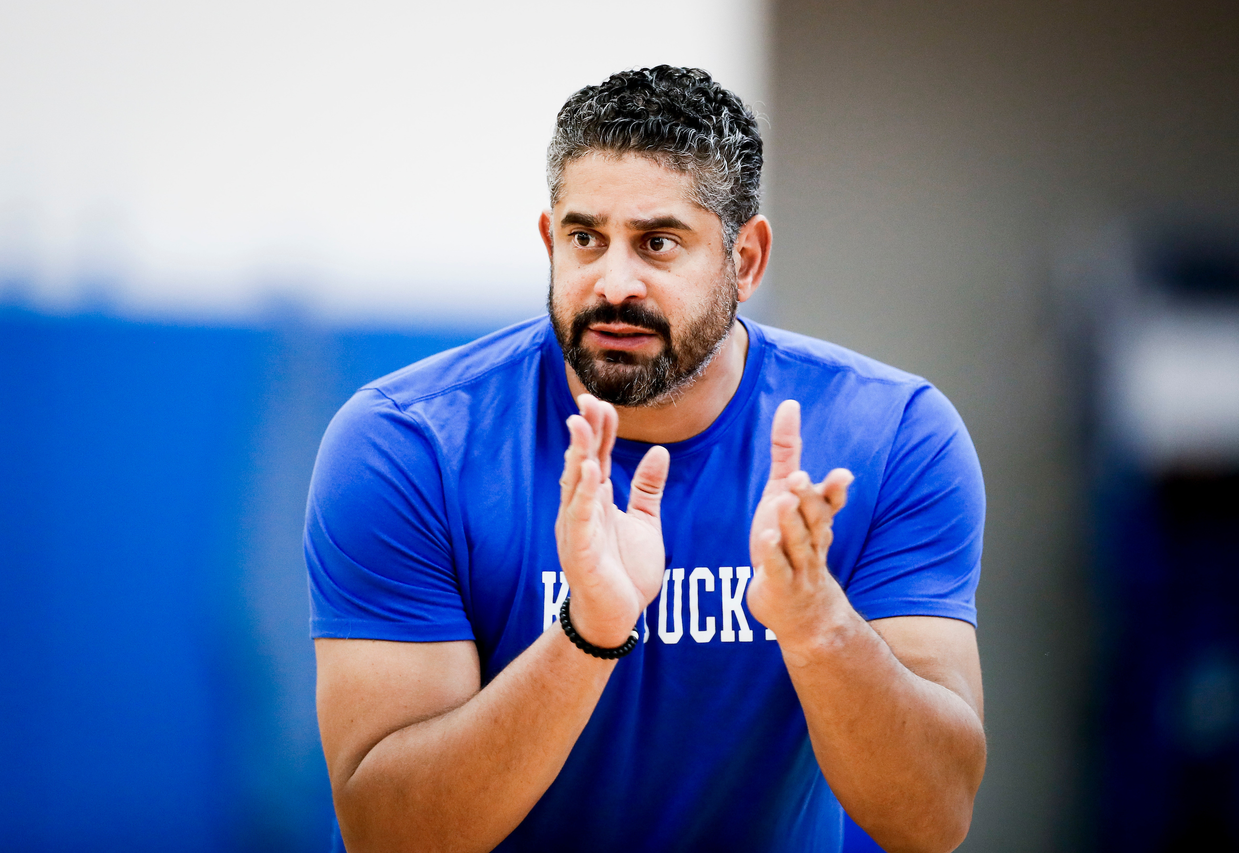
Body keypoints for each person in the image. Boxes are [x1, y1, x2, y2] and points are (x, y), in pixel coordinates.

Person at [305, 66, 986, 853]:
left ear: (748, 259)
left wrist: (815, 625)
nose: (613, 282)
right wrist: (586, 633)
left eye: (658, 243)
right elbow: (388, 833)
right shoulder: (408, 445)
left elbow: (932, 818)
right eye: (584, 238)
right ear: (547, 241)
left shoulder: (891, 436)